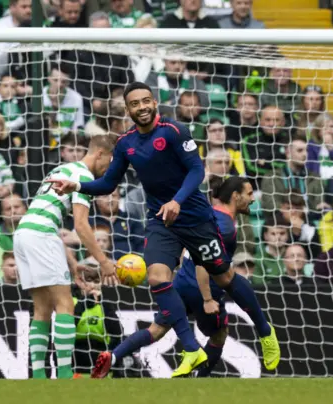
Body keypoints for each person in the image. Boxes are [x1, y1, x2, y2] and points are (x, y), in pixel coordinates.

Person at [48, 82, 280, 377]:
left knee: (225, 277)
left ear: (154, 102)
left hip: (194, 217)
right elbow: (108, 184)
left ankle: (264, 330)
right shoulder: (125, 143)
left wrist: (177, 201)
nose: (142, 107)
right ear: (128, 109)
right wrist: (77, 185)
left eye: (146, 101)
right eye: (135, 104)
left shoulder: (175, 130)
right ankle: (191, 349)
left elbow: (196, 170)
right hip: (162, 220)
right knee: (157, 276)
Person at [91, 176, 271, 378]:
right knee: (219, 335)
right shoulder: (224, 226)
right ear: (235, 196)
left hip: (180, 283)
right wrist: (207, 298)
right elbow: (204, 260)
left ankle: (113, 356)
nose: (253, 198)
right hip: (202, 288)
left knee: (156, 330)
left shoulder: (205, 215)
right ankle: (199, 380)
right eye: (248, 193)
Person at [14, 135, 117, 380]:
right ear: (100, 154)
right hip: (42, 235)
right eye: (109, 163)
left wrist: (72, 266)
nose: (108, 170)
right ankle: (64, 374)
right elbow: (81, 225)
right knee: (66, 304)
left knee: (42, 309)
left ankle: (38, 376)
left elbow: (49, 220)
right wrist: (104, 262)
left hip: (24, 232)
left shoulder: (61, 168)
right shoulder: (84, 176)